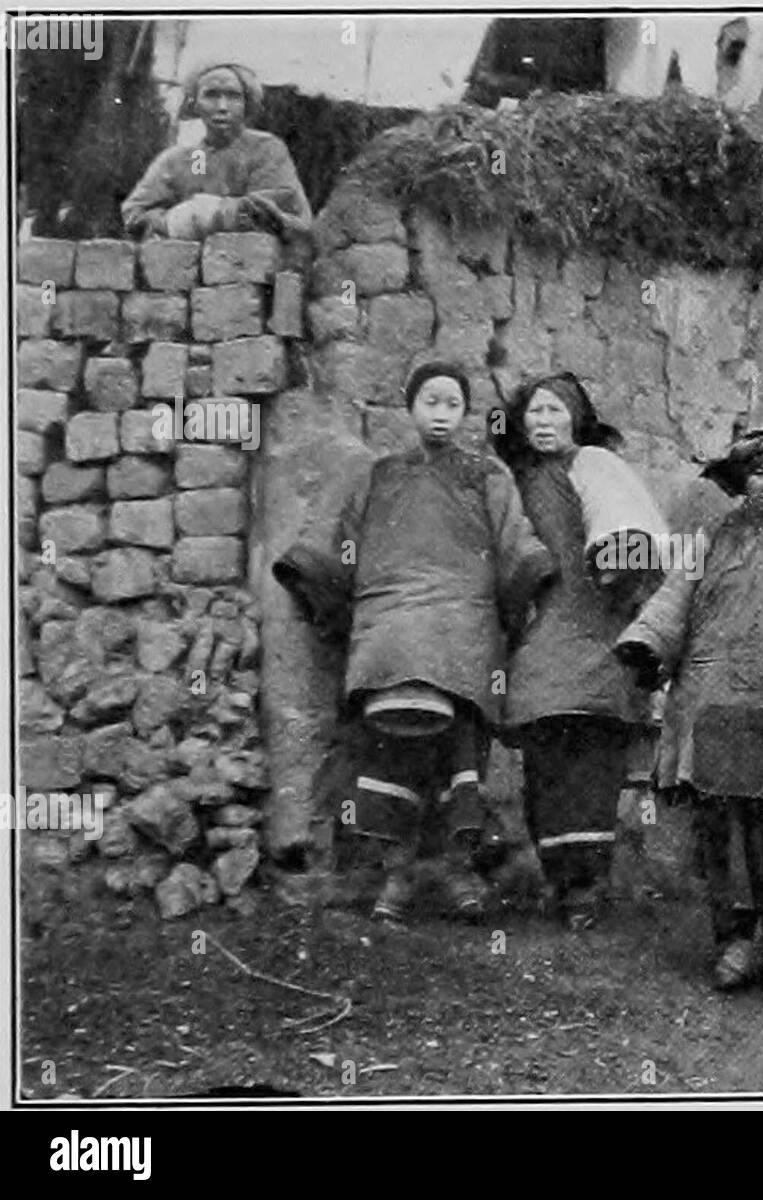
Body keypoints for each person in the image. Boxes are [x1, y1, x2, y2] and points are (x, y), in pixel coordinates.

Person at [616, 427, 763, 994]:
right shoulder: (711, 540)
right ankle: (735, 938)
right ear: (741, 479)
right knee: (726, 824)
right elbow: (676, 597)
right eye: (760, 473)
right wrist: (650, 643)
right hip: (719, 697)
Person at [334, 360, 555, 923]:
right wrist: (350, 611)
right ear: (410, 408)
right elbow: (339, 546)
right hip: (394, 640)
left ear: (465, 413)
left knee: (461, 762)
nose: (440, 414)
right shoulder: (378, 476)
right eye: (430, 401)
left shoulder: (487, 475)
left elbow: (515, 543)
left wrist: (524, 590)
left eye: (452, 404)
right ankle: (397, 878)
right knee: (395, 759)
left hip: (463, 639)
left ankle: (460, 875)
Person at [489, 373, 665, 930]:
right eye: (534, 413)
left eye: (554, 411)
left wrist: (618, 563)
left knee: (591, 759)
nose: (543, 422)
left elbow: (626, 531)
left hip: (595, 626)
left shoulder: (594, 465)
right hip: (542, 632)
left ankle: (585, 888)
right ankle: (560, 879)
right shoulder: (514, 482)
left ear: (577, 419)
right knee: (547, 755)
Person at [121, 61, 310, 240]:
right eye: (211, 95)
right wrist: (174, 221)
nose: (222, 107)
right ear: (194, 104)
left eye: (233, 96)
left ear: (247, 103)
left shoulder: (265, 149)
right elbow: (135, 213)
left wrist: (215, 214)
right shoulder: (180, 159)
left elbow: (277, 207)